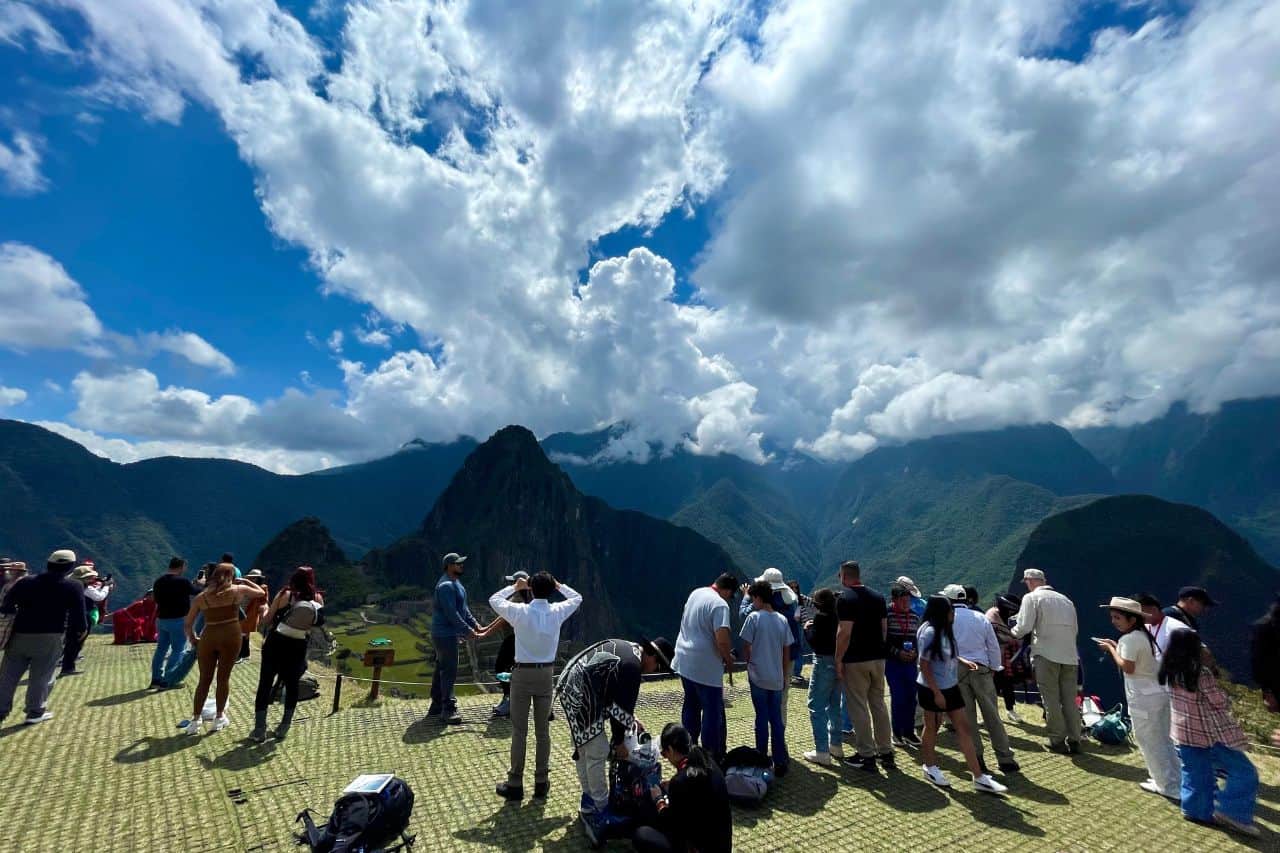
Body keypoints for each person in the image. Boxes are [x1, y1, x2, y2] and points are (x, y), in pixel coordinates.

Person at [554, 637, 674, 844]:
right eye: (658, 666)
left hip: (572, 680)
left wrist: (631, 718)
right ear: (651, 655)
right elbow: (619, 712)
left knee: (585, 748)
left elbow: (615, 694)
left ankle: (588, 801)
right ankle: (601, 810)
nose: (654, 671)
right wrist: (619, 743)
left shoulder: (631, 652)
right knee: (596, 750)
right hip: (581, 690)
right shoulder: (633, 668)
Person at [490, 571, 582, 801]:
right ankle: (541, 782)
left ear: (530, 589)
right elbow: (577, 597)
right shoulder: (557, 612)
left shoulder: (520, 612)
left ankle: (515, 783)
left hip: (521, 674)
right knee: (543, 732)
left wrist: (515, 586)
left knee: (519, 732)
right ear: (551, 590)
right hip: (546, 675)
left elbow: (494, 600)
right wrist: (559, 585)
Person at [1159, 628, 1260, 837]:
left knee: (1195, 773)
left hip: (1183, 732)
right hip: (1209, 733)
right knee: (1245, 771)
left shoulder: (1169, 670)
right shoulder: (1200, 673)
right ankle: (1233, 812)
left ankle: (1195, 811)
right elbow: (1218, 701)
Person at [916, 595, 1008, 794]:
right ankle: (930, 767)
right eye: (950, 610)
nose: (954, 614)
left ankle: (979, 777)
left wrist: (963, 661)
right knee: (932, 726)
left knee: (963, 728)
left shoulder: (945, 630)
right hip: (933, 688)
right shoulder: (929, 632)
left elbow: (946, 653)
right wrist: (936, 693)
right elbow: (924, 665)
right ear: (942, 612)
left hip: (950, 685)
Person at [1094, 596, 1180, 800]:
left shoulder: (1129, 639)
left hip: (1143, 697)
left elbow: (1128, 667)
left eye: (1118, 618)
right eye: (1112, 617)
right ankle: (1171, 779)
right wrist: (1118, 647)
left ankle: (1167, 785)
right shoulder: (1144, 635)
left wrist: (1111, 649)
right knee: (1164, 739)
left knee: (1149, 741)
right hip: (1159, 693)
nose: (1114, 621)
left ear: (1132, 620)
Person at [0, 550, 86, 725]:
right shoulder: (73, 585)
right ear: (70, 566)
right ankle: (35, 712)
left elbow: (7, 605)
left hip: (19, 635)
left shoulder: (26, 582)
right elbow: (79, 615)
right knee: (41, 676)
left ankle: (0, 710)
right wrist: (80, 631)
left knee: (8, 676)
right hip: (50, 636)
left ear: (49, 564)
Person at [181, 564, 266, 735]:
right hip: (231, 635)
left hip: (208, 636)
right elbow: (261, 592)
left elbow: (188, 623)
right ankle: (219, 718)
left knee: (204, 680)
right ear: (231, 576)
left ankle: (195, 720)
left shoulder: (201, 597)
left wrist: (193, 638)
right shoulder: (238, 589)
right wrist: (244, 581)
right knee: (223, 678)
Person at [943, 585, 1018, 774]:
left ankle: (977, 760)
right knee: (992, 716)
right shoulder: (980, 617)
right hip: (981, 669)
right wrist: (993, 668)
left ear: (949, 600)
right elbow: (992, 646)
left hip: (958, 670)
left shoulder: (947, 619)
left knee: (968, 719)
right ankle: (1005, 759)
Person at [1011, 568, 1083, 754]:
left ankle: (1057, 740)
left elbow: (1024, 626)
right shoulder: (1066, 600)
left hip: (1045, 654)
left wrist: (1011, 633)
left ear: (1029, 581)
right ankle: (1075, 739)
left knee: (1050, 698)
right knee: (1069, 699)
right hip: (1070, 656)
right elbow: (1075, 629)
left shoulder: (1032, 598)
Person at [632, 723, 732, 853]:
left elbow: (672, 825)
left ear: (671, 750)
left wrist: (658, 800)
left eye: (665, 753)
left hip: (698, 847)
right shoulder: (706, 759)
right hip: (721, 844)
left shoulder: (680, 782)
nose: (665, 757)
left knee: (641, 835)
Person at [251, 567, 324, 743]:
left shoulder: (285, 594)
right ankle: (284, 726)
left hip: (276, 642)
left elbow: (266, 621)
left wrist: (263, 610)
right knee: (292, 685)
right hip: (298, 645)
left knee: (265, 683)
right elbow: (316, 623)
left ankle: (260, 729)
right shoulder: (318, 598)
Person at [671, 573, 737, 763]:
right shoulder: (720, 605)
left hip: (684, 660)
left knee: (691, 705)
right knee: (711, 711)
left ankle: (688, 749)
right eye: (730, 596)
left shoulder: (696, 593)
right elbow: (722, 640)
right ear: (727, 591)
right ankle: (709, 756)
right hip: (705, 666)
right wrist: (729, 661)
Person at [834, 560, 893, 771]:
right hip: (878, 658)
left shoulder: (845, 598)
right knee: (879, 704)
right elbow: (884, 629)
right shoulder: (878, 597)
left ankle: (866, 755)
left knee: (858, 707)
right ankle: (886, 752)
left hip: (856, 660)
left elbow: (844, 633)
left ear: (843, 576)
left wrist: (838, 659)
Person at [741, 580, 791, 775]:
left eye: (753, 598)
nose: (752, 602)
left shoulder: (753, 618)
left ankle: (761, 757)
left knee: (761, 717)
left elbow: (746, 644)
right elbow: (787, 650)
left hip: (758, 676)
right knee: (776, 719)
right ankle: (780, 760)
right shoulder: (782, 619)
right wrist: (785, 674)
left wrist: (749, 662)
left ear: (759, 598)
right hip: (777, 677)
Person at [429, 552, 485, 725]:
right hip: (444, 634)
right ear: (449, 566)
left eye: (461, 563)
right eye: (458, 563)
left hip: (448, 634)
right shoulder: (446, 586)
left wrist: (475, 624)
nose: (461, 565)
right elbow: (451, 614)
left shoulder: (455, 583)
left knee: (442, 667)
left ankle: (437, 704)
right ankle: (448, 709)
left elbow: (463, 609)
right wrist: (468, 630)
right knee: (449, 671)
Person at [739, 568, 799, 721]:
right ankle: (780, 736)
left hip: (765, 657)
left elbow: (744, 615)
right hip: (788, 655)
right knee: (781, 699)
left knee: (763, 702)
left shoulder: (764, 602)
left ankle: (764, 734)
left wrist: (746, 597)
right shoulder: (790, 602)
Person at [802, 588, 845, 765]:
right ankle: (836, 744)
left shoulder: (821, 618)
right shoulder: (839, 616)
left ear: (819, 604)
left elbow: (815, 642)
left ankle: (821, 751)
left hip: (823, 661)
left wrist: (807, 629)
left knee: (816, 705)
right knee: (835, 704)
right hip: (838, 661)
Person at [150, 557, 202, 689]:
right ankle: (169, 679)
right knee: (178, 650)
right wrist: (201, 584)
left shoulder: (158, 581)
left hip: (161, 620)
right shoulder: (183, 582)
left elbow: (155, 599)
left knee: (161, 649)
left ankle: (156, 679)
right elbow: (197, 593)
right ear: (182, 566)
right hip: (178, 620)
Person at [490, 571, 533, 718]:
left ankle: (509, 700)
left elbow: (503, 620)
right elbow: (502, 617)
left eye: (513, 583)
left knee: (501, 667)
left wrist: (484, 633)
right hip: (522, 639)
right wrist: (485, 629)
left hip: (512, 639)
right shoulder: (529, 598)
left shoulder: (517, 599)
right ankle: (511, 700)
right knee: (514, 669)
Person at [884, 582, 921, 748]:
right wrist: (897, 653)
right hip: (893, 663)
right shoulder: (887, 614)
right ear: (894, 600)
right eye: (903, 601)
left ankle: (909, 732)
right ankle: (897, 733)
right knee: (898, 697)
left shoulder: (914, 616)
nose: (907, 604)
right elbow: (882, 640)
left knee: (911, 697)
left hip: (910, 663)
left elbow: (915, 639)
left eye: (908, 601)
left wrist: (914, 653)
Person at [61, 563, 110, 676]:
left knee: (71, 641)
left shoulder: (72, 586)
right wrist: (106, 586)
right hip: (82, 616)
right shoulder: (83, 588)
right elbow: (99, 597)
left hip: (71, 615)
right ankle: (68, 667)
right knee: (76, 642)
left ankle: (68, 666)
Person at [987, 593, 1024, 723]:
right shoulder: (992, 616)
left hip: (1005, 657)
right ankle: (992, 713)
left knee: (1007, 683)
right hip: (993, 657)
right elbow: (996, 636)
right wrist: (1013, 638)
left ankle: (1010, 709)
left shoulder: (1001, 616)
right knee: (993, 686)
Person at [239, 568, 269, 662]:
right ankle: (245, 654)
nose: (253, 580)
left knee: (243, 634)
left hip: (251, 613)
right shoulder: (245, 586)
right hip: (242, 611)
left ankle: (240, 655)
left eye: (254, 578)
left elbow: (264, 598)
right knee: (244, 634)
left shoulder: (262, 587)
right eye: (251, 578)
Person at [788, 579, 813, 686]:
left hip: (799, 626)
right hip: (789, 626)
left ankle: (796, 673)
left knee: (798, 648)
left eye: (796, 587)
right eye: (792, 587)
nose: (794, 589)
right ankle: (791, 673)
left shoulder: (800, 598)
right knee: (790, 648)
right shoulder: (787, 599)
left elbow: (813, 603)